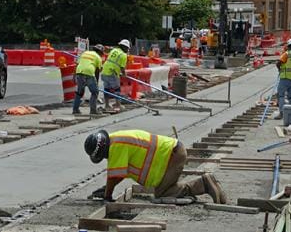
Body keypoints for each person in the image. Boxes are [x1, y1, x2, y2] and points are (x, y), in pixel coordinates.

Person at [84, 129, 227, 204]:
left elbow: (116, 175)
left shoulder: (116, 147)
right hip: (173, 152)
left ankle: (203, 184)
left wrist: (107, 196)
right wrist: (106, 189)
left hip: (172, 155)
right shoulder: (116, 140)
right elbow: (121, 173)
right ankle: (207, 184)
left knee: (163, 193)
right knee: (165, 190)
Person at [73, 45, 103, 115]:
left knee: (79, 93)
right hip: (89, 73)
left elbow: (77, 64)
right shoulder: (98, 57)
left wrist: (74, 76)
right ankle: (93, 110)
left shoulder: (85, 53)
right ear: (100, 52)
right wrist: (96, 83)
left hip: (79, 72)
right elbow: (97, 71)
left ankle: (75, 109)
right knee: (94, 92)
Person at [102, 40, 130, 112]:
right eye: (127, 48)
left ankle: (107, 105)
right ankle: (118, 105)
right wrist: (124, 74)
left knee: (106, 89)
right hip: (112, 72)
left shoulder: (114, 50)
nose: (127, 50)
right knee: (117, 89)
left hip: (105, 70)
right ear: (124, 47)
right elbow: (122, 67)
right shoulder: (123, 55)